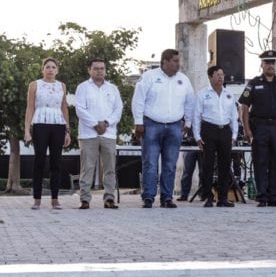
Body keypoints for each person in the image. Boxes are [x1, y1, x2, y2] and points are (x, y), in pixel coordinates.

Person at [132, 49, 195, 209]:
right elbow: (138, 99)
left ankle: (167, 197)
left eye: (178, 61)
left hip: (175, 125)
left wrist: (188, 122)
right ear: (164, 61)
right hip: (152, 124)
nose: (178, 64)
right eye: (174, 61)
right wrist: (138, 122)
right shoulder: (149, 77)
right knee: (150, 163)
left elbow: (190, 102)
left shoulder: (183, 79)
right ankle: (148, 197)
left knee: (170, 164)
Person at [239, 50, 276, 207]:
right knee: (260, 161)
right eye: (267, 63)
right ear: (261, 65)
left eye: (272, 63)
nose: (270, 66)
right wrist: (247, 129)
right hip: (260, 127)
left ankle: (273, 196)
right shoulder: (254, 83)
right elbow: (244, 106)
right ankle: (262, 196)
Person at [74, 58, 123, 210]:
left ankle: (109, 199)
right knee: (87, 168)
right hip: (88, 134)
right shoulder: (83, 88)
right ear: (90, 70)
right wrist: (95, 124)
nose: (99, 71)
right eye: (96, 68)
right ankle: (85, 199)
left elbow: (118, 109)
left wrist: (106, 123)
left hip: (108, 134)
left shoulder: (113, 88)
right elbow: (80, 109)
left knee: (109, 168)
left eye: (102, 68)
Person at [24, 57, 71, 210]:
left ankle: (55, 199)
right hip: (40, 124)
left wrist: (67, 131)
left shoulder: (62, 86)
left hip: (58, 124)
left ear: (57, 70)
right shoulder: (34, 85)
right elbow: (30, 107)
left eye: (53, 67)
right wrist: (27, 130)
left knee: (56, 163)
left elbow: (64, 107)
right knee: (39, 161)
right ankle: (36, 199)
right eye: (47, 67)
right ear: (42, 69)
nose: (50, 69)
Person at [193, 65, 239, 208]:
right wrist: (197, 136)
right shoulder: (202, 94)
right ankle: (208, 196)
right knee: (207, 164)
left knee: (225, 165)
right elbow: (196, 116)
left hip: (225, 130)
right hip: (209, 130)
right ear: (210, 77)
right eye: (217, 75)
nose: (221, 77)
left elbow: (233, 116)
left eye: (222, 75)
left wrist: (234, 135)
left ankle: (223, 197)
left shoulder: (229, 94)